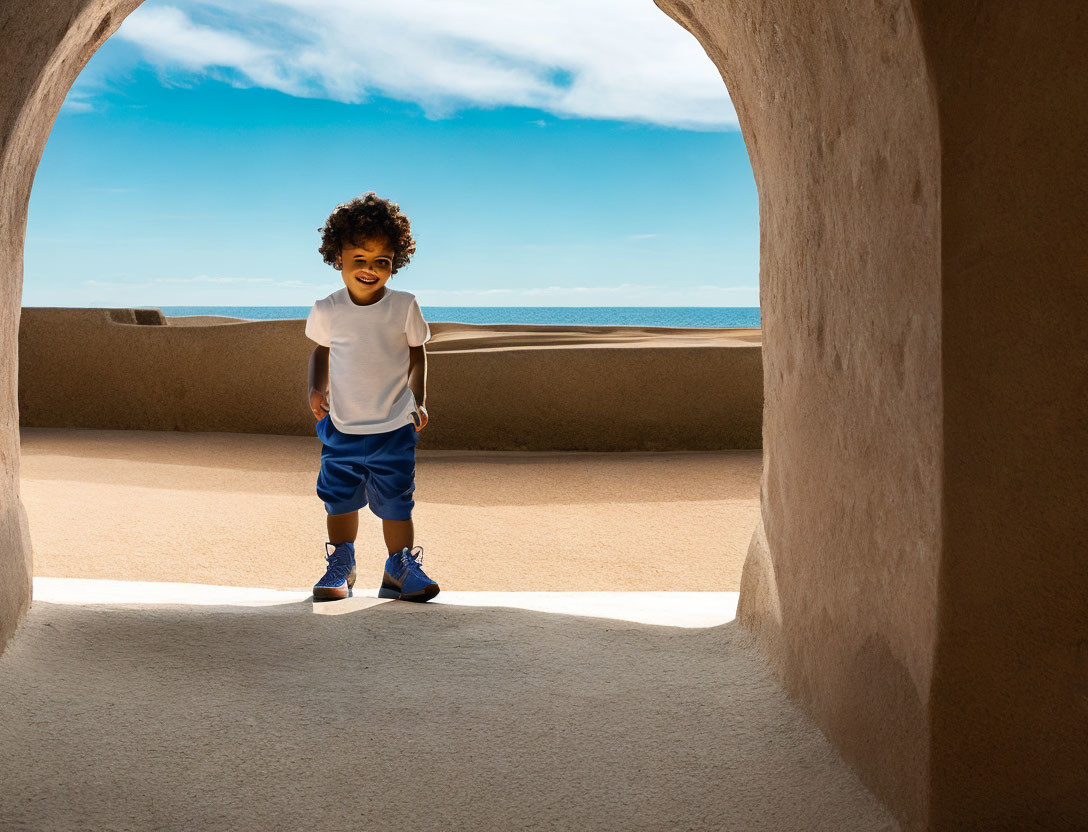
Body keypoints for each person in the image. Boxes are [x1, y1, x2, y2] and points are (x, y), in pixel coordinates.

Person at [304, 191, 439, 603]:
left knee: (398, 500)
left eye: (381, 261)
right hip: (341, 425)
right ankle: (341, 564)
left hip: (395, 425)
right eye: (359, 259)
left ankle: (399, 566)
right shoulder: (327, 309)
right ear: (338, 258)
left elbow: (418, 351)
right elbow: (321, 351)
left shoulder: (404, 306)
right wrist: (315, 388)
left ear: (394, 262)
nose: (370, 269)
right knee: (339, 500)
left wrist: (418, 396)